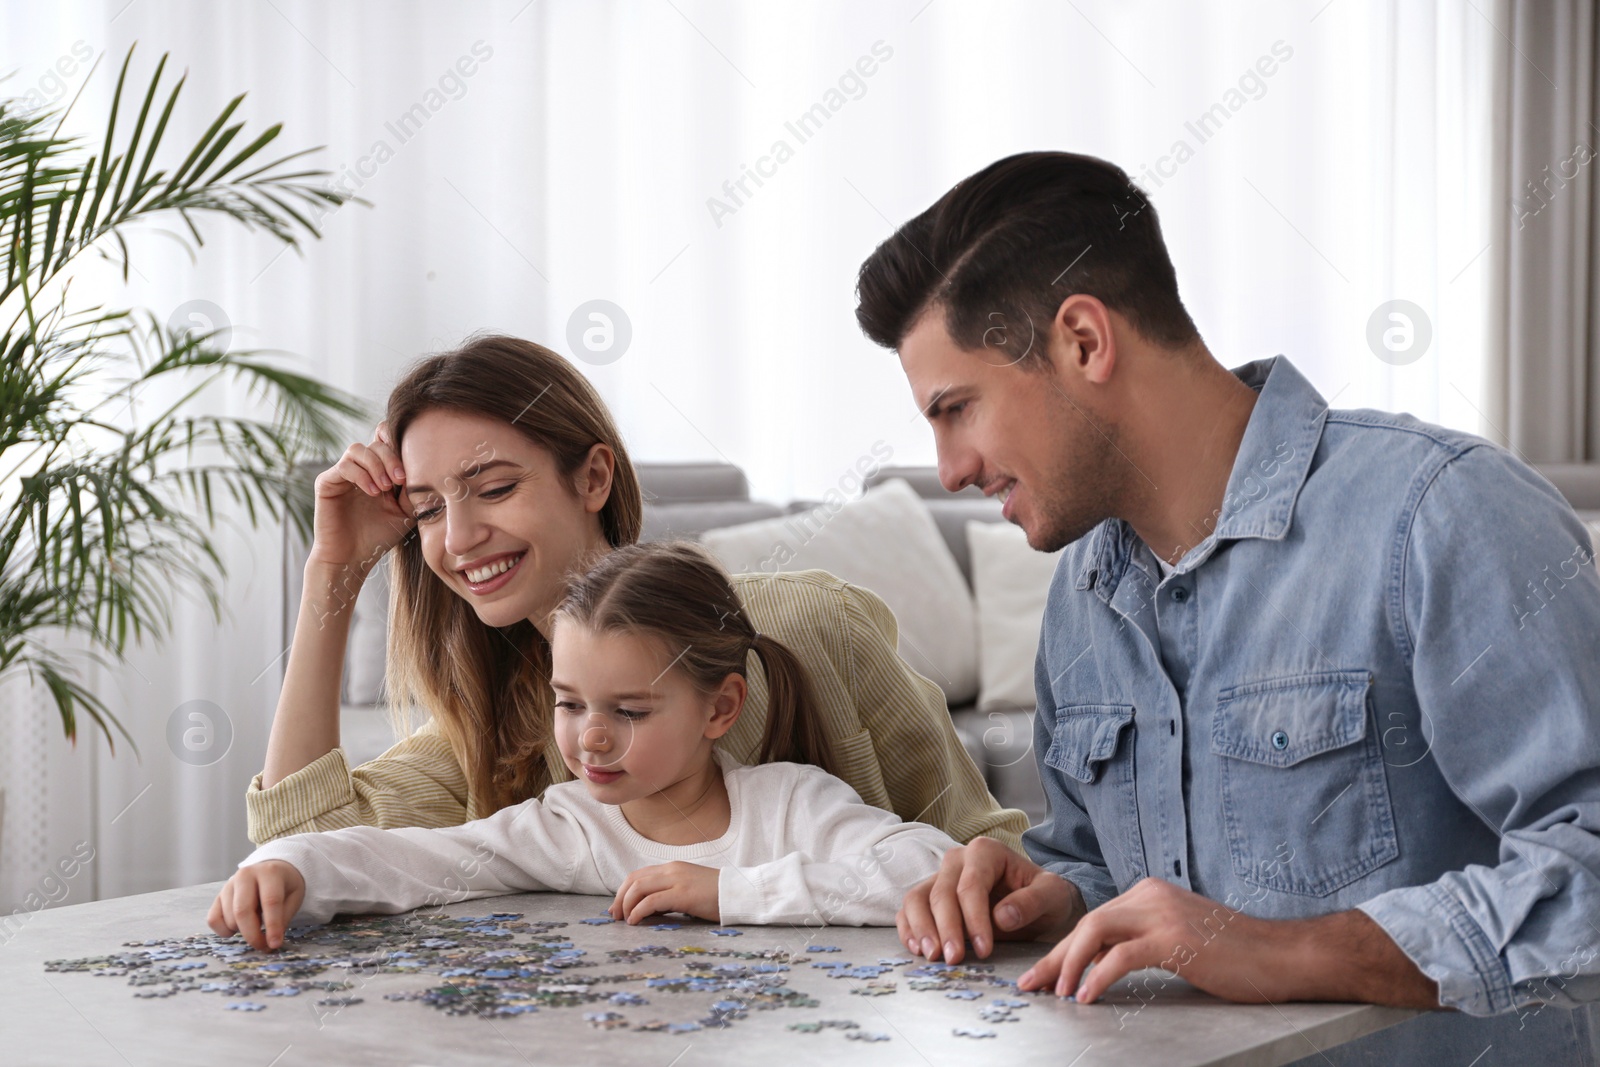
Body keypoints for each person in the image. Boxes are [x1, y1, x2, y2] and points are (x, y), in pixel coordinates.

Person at [860, 151, 1600, 1059]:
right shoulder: (1083, 596)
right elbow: (1123, 869)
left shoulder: (1440, 516)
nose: (950, 469)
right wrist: (1053, 888)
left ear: (1084, 341)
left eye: (956, 409)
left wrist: (1286, 950)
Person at [249, 335, 1026, 857]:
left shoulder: (807, 623)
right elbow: (304, 844)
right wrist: (334, 574)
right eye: (425, 509)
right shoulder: (493, 733)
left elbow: (982, 845)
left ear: (593, 477)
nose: (455, 538)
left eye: (493, 488)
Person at [212, 542, 955, 949]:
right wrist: (288, 861)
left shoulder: (790, 800)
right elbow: (415, 859)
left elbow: (928, 867)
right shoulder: (571, 825)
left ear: (720, 708)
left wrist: (727, 891)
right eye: (569, 702)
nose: (589, 735)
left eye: (629, 708)